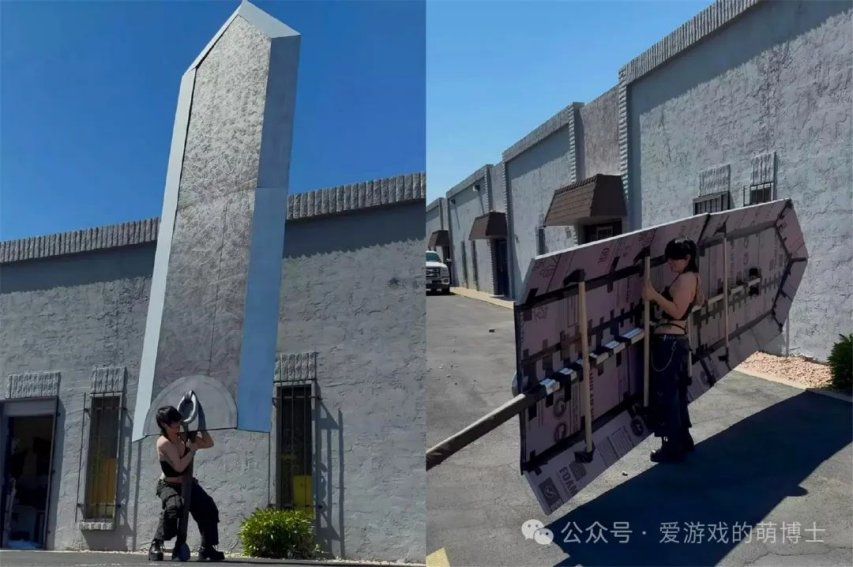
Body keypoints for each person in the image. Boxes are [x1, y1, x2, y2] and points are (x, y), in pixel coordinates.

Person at [642, 237, 704, 463]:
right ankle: (682, 438)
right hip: (678, 340)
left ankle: (672, 446)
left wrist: (655, 296)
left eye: (674, 260)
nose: (670, 263)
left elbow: (677, 311)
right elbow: (701, 301)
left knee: (666, 394)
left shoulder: (686, 279)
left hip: (669, 341)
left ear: (687, 258)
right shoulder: (694, 276)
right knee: (677, 393)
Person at [148, 406, 224, 562]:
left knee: (208, 507)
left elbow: (208, 443)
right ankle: (157, 543)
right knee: (174, 507)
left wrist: (201, 428)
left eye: (178, 420)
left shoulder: (183, 436)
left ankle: (207, 548)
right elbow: (179, 467)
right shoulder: (163, 442)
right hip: (168, 485)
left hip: (187, 484)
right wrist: (192, 450)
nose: (177, 424)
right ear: (164, 424)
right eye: (173, 422)